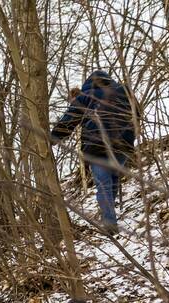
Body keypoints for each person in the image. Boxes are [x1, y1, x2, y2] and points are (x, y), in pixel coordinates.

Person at [51, 70, 135, 235]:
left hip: (97, 146)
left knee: (103, 183)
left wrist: (53, 138)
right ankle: (110, 216)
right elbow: (137, 113)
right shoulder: (124, 91)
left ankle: (110, 223)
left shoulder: (86, 96)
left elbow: (69, 119)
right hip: (123, 143)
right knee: (112, 178)